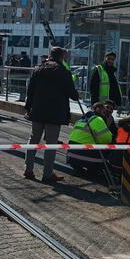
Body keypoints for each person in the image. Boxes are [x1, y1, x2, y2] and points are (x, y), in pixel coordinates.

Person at [24, 46, 79, 183]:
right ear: (62, 57)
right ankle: (47, 174)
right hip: (55, 113)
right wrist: (76, 94)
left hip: (37, 110)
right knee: (51, 143)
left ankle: (28, 169)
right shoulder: (63, 72)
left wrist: (28, 107)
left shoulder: (38, 69)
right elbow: (72, 94)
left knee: (33, 139)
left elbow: (30, 90)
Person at [66, 102, 113, 176]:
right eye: (104, 112)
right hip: (87, 156)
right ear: (100, 111)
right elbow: (108, 139)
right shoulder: (98, 120)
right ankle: (93, 170)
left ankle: (78, 169)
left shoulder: (80, 121)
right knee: (108, 148)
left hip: (71, 156)